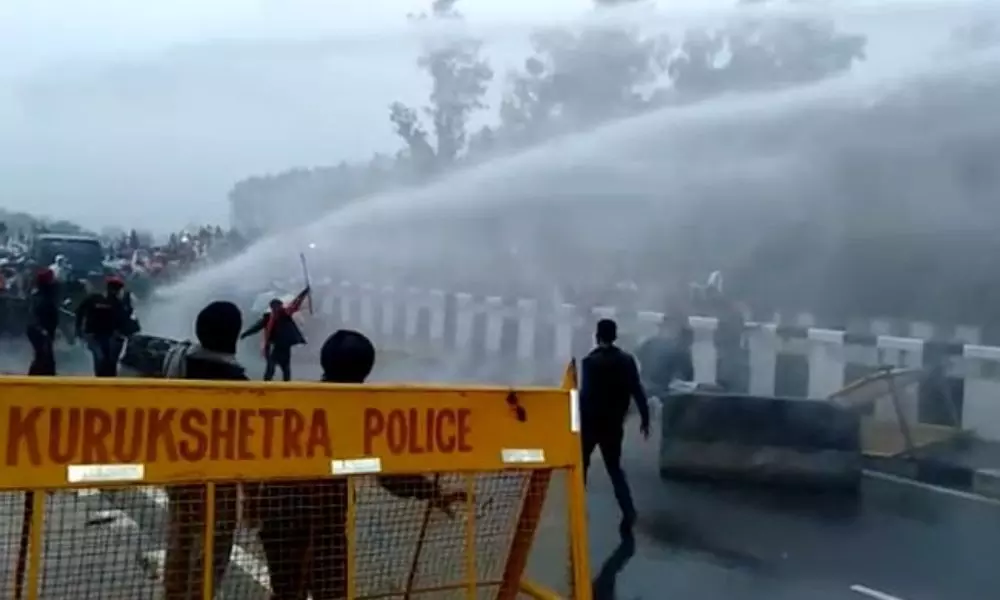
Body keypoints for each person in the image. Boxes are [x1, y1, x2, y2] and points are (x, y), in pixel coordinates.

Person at [254, 329, 467, 599]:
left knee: (286, 592)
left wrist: (253, 504)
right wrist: (432, 492)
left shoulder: (293, 403)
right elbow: (388, 474)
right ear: (366, 371)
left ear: (324, 362)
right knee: (328, 591)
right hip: (324, 528)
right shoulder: (360, 413)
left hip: (280, 520)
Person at [161, 300, 246, 600]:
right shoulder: (236, 383)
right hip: (217, 482)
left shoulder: (178, 360)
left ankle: (173, 594)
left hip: (179, 471)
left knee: (180, 540)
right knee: (212, 551)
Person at [579, 318, 650, 540]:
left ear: (597, 335)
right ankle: (628, 510)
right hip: (613, 424)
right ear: (615, 336)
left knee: (581, 466)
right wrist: (645, 417)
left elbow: (585, 396)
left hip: (590, 423)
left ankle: (577, 507)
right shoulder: (627, 361)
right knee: (614, 469)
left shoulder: (589, 362)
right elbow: (637, 390)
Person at [240, 286, 310, 381]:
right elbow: (256, 327)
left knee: (285, 368)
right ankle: (267, 386)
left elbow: (296, 303)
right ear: (272, 307)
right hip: (273, 345)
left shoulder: (285, 314)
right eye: (275, 307)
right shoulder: (268, 318)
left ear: (281, 306)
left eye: (278, 306)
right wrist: (245, 334)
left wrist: (304, 292)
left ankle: (286, 387)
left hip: (284, 346)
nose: (277, 308)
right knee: (271, 368)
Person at [74, 276, 132, 377]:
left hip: (110, 337)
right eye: (114, 288)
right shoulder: (94, 299)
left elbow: (125, 320)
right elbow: (80, 312)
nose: (115, 291)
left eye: (117, 289)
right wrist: (79, 329)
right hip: (95, 336)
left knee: (109, 362)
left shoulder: (119, 303)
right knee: (100, 359)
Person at [634, 317, 695, 400]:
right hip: (654, 390)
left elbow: (683, 379)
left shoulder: (680, 350)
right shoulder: (651, 343)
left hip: (660, 392)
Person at [26, 268, 59, 375]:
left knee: (43, 356)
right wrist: (42, 329)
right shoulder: (41, 295)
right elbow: (34, 314)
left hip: (43, 329)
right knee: (43, 356)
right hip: (39, 329)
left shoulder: (47, 293)